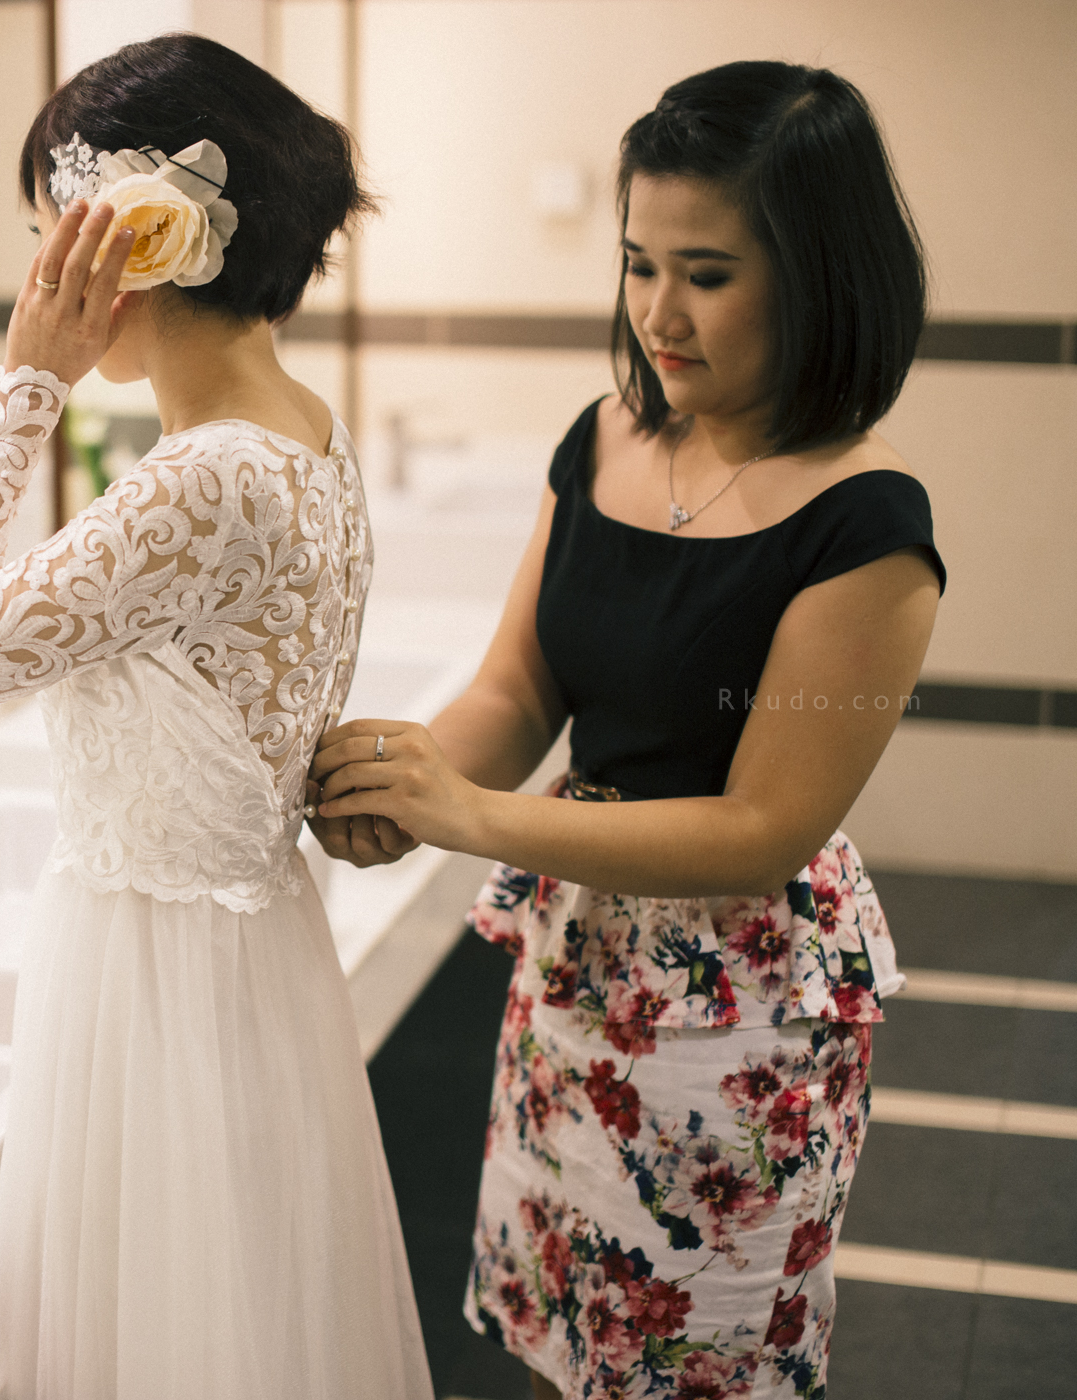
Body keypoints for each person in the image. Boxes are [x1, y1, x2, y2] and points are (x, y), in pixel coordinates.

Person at [309, 61, 942, 1399]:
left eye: (707, 273)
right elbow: (518, 688)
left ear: (819, 275)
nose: (659, 312)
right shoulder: (603, 437)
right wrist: (395, 786)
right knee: (564, 1342)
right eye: (638, 263)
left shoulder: (865, 523)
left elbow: (761, 828)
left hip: (742, 1019)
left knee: (694, 1368)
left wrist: (467, 814)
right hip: (576, 974)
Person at [0, 34, 433, 1400]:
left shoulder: (204, 481)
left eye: (49, 237)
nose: (42, 274)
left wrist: (24, 386)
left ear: (129, 243)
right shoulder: (305, 428)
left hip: (154, 977)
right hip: (247, 958)